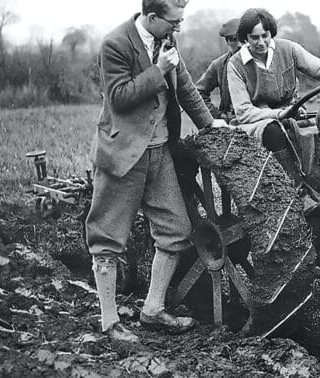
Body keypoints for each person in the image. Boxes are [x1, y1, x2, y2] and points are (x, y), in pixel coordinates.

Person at [85, 0, 215, 342]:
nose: (179, 28)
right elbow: (119, 98)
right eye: (174, 21)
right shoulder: (115, 44)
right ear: (153, 17)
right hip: (123, 155)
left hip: (159, 153)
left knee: (176, 229)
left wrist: (212, 126)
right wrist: (157, 70)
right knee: (107, 238)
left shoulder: (167, 40)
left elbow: (185, 88)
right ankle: (110, 322)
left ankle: (153, 309)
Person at [227, 8, 320, 216]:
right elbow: (243, 112)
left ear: (271, 33)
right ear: (244, 38)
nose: (260, 42)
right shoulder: (236, 65)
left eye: (265, 36)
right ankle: (299, 193)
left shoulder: (288, 49)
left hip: (292, 114)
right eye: (254, 37)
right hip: (257, 121)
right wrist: (278, 114)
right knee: (273, 130)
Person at [195, 18, 240, 121]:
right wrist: (219, 115)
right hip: (232, 122)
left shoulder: (260, 62)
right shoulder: (219, 65)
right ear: (227, 42)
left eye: (242, 39)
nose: (239, 45)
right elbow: (198, 93)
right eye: (233, 39)